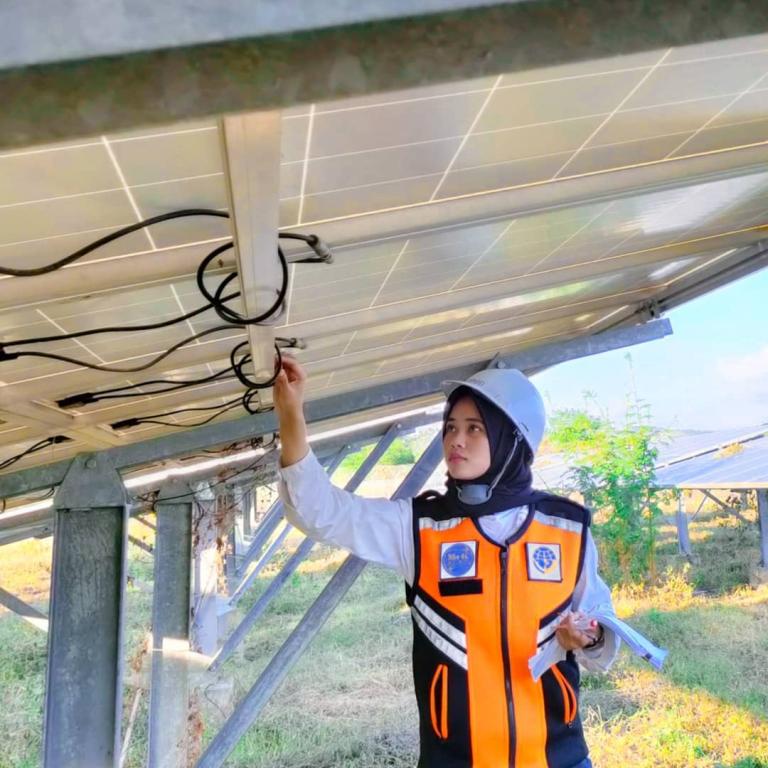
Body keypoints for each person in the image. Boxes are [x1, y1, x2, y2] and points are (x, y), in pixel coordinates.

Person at [274, 357, 620, 768]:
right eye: (450, 427)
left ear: (514, 440)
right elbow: (320, 510)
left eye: (475, 428)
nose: (456, 440)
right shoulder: (419, 527)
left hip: (559, 759)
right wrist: (291, 415)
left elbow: (602, 637)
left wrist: (590, 636)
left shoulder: (565, 527)